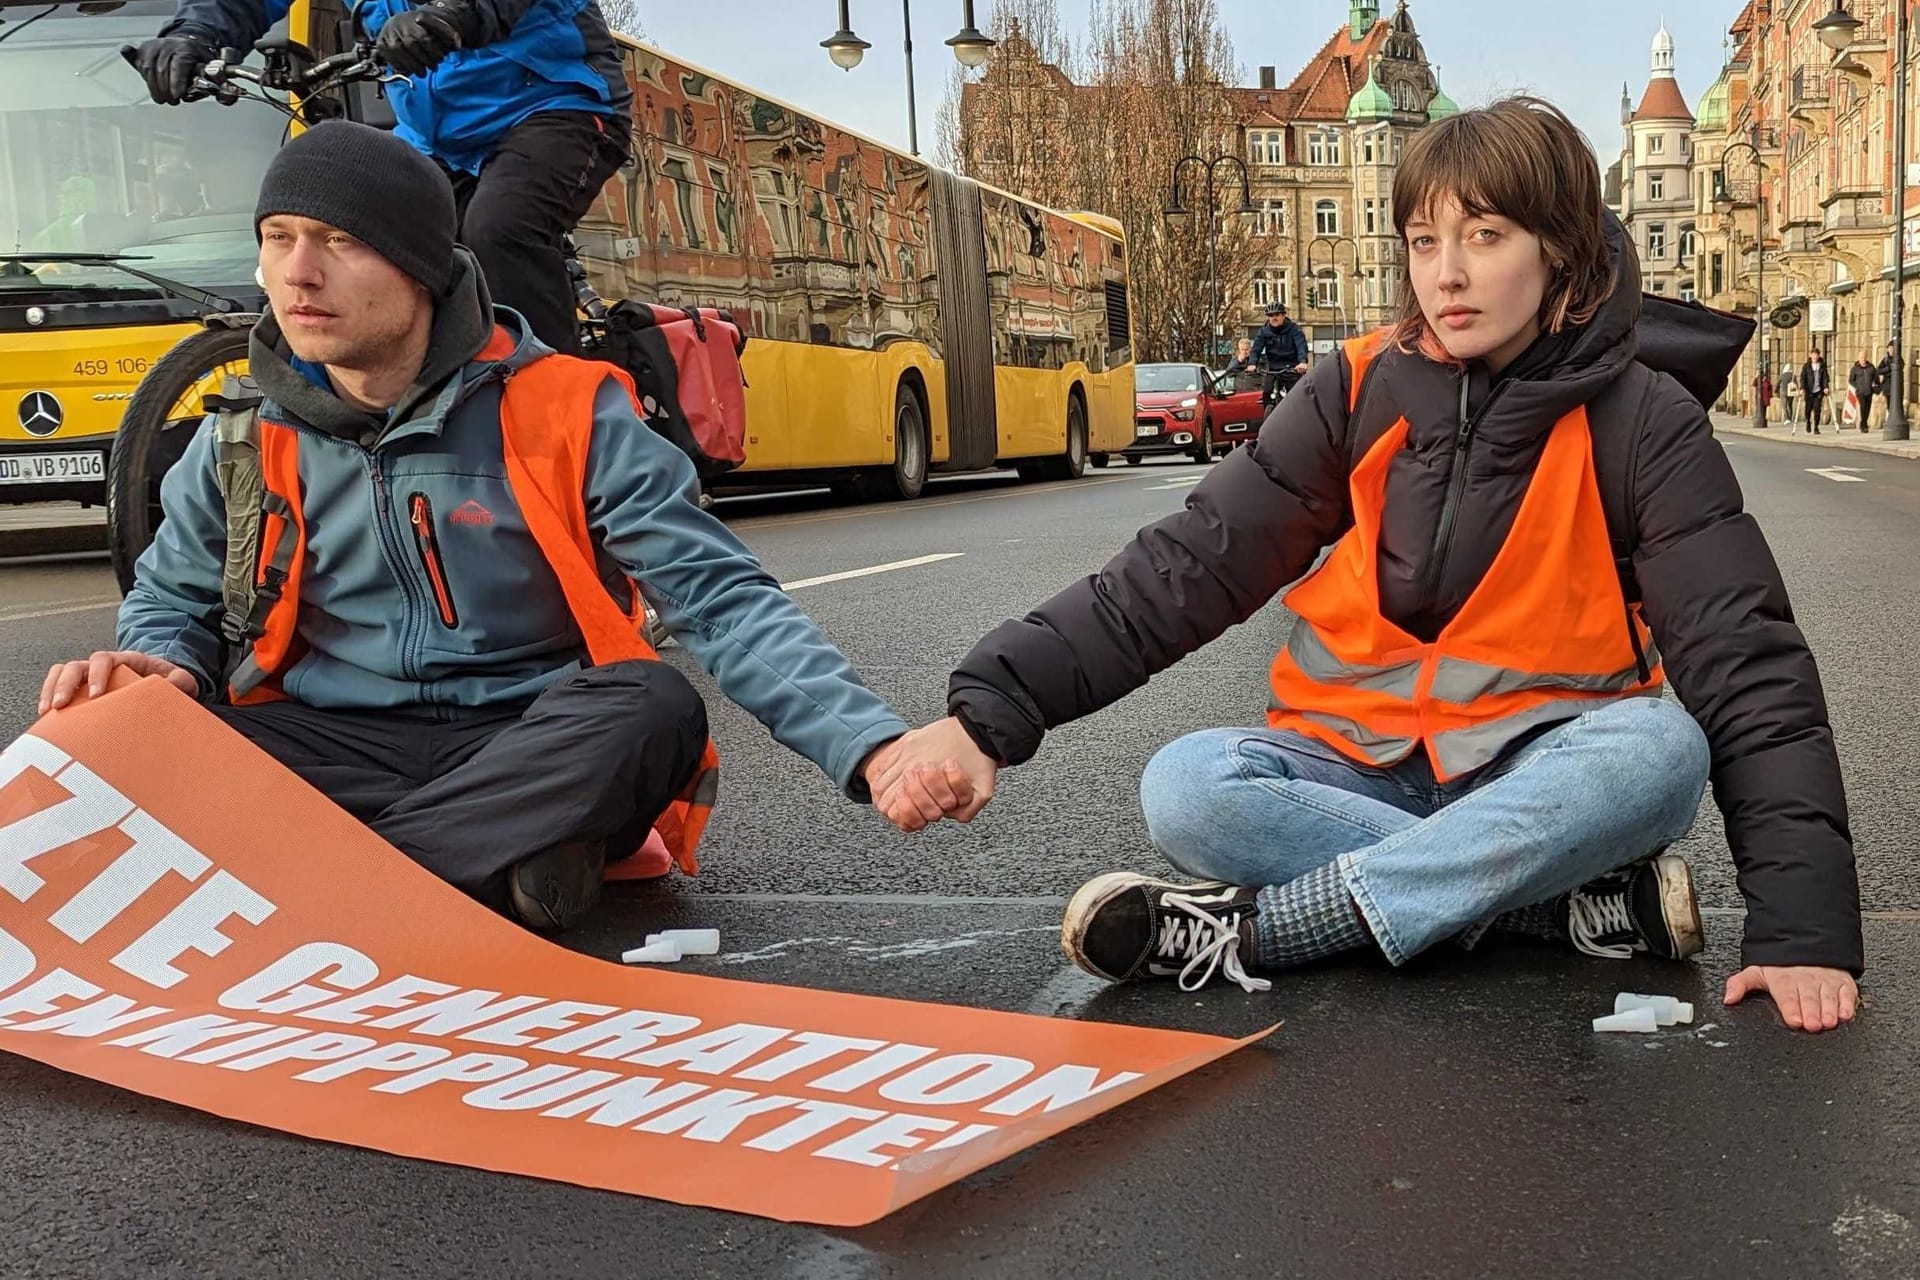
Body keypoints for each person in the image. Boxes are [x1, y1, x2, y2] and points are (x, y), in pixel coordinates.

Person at [871, 97, 1861, 1034]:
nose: (1448, 275)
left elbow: (1745, 658)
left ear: (1559, 249)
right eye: (1425, 241)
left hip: (1543, 771)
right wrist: (986, 716)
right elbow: (1185, 568)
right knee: (1187, 782)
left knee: (1659, 752)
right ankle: (1538, 911)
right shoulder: (1353, 388)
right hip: (1354, 771)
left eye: (1485, 236)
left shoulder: (1643, 418)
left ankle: (1267, 930)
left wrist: (1803, 926)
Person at [38, 123, 937, 931]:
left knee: (652, 706)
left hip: (532, 736)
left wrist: (868, 747)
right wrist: (165, 667)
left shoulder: (570, 406)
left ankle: (334, 889)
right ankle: (484, 863)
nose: (297, 274)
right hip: (329, 739)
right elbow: (171, 601)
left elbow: (721, 600)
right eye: (279, 240)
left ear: (422, 266)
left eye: (341, 242)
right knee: (116, 729)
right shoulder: (239, 431)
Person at [132, 0, 630, 356]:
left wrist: (450, 13)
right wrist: (191, 37)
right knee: (374, 240)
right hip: (436, 136)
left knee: (499, 228)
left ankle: (558, 404)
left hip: (553, 104)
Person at [1245, 302, 1310, 409]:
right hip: (1273, 368)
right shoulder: (1264, 332)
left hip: (1292, 368)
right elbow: (1256, 349)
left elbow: (1301, 346)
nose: (1274, 318)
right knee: (1266, 393)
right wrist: (1252, 364)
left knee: (1297, 396)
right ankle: (1268, 417)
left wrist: (1302, 362)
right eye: (1271, 315)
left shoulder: (1294, 329)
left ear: (1283, 315)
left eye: (1277, 315)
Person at [1800, 348, 1829, 434]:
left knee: (1817, 409)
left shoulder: (1822, 366)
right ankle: (1808, 422)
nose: (1815, 356)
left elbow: (1825, 378)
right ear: (1811, 355)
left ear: (1818, 356)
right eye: (1813, 354)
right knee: (1808, 409)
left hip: (1818, 391)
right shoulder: (1806, 366)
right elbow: (1803, 378)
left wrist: (1826, 387)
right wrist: (1802, 388)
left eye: (1816, 355)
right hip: (1809, 391)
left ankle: (1816, 426)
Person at [1849, 349, 1878, 432]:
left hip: (1869, 391)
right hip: (1860, 392)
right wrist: (1857, 386)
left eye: (1864, 357)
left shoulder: (1871, 367)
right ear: (1859, 358)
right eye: (1861, 357)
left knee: (1868, 408)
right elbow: (1851, 380)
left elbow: (1876, 378)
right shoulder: (1855, 369)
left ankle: (1864, 423)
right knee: (1863, 407)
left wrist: (1875, 386)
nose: (1863, 359)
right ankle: (1863, 425)